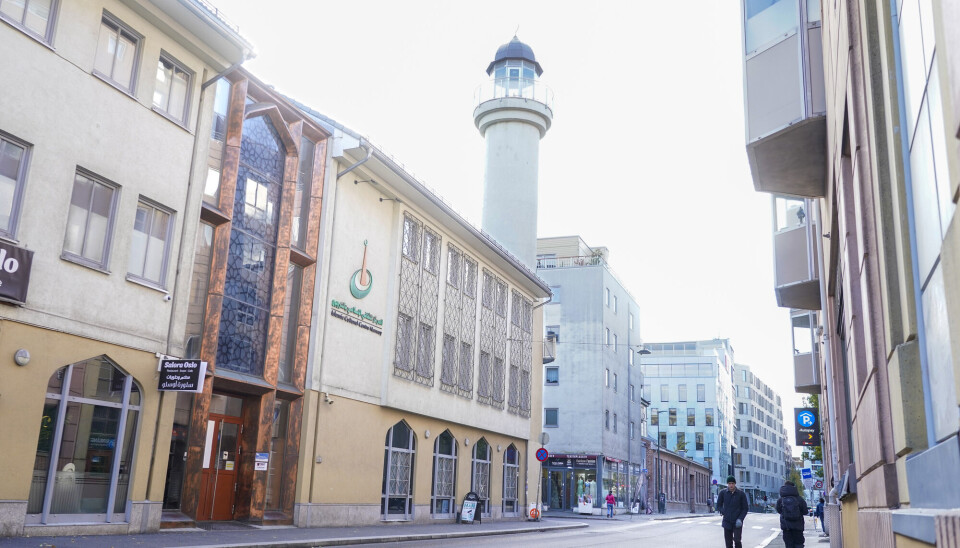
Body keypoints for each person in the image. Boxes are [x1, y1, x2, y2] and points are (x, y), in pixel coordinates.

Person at [716, 475, 748, 548]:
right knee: (728, 542)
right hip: (727, 521)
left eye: (732, 483)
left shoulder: (741, 494)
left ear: (735, 484)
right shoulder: (723, 493)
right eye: (729, 483)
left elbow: (745, 508)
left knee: (737, 540)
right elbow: (719, 505)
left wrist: (740, 518)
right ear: (727, 484)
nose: (731, 485)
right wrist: (723, 511)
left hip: (737, 521)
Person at [776, 480, 809, 548]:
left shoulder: (780, 500)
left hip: (786, 527)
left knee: (788, 545)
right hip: (798, 527)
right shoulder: (799, 499)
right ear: (794, 487)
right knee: (799, 544)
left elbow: (778, 510)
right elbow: (805, 511)